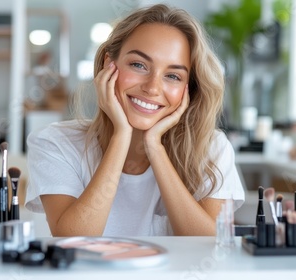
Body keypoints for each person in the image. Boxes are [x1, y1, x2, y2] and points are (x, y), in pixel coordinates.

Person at [25, 4, 244, 236]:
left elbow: (210, 249)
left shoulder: (211, 148)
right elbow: (73, 239)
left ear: (188, 89)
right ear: (108, 66)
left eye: (172, 76)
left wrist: (155, 148)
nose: (152, 88)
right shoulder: (56, 143)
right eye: (139, 65)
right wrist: (121, 135)